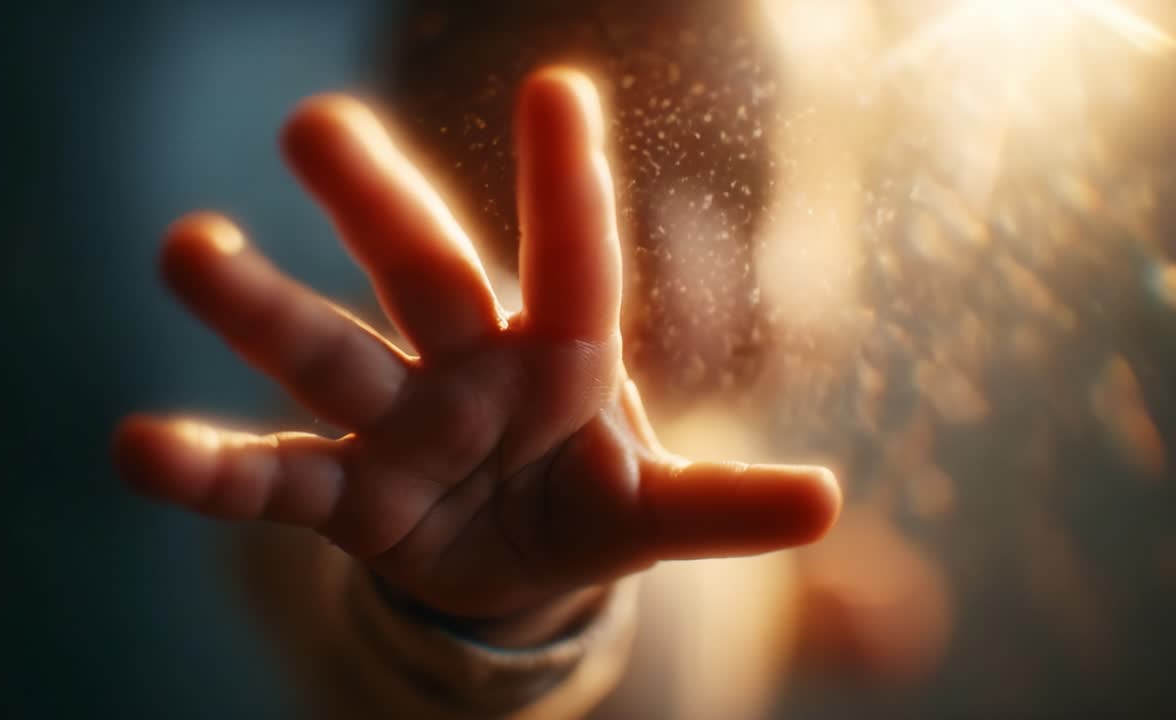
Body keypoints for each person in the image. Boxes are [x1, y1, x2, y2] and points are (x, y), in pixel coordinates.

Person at [115, 1, 948, 716]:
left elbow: (668, 590)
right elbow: (375, 628)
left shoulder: (708, 439)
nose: (673, 248)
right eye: (628, 177)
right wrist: (497, 616)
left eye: (740, 175)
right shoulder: (407, 447)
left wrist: (791, 605)